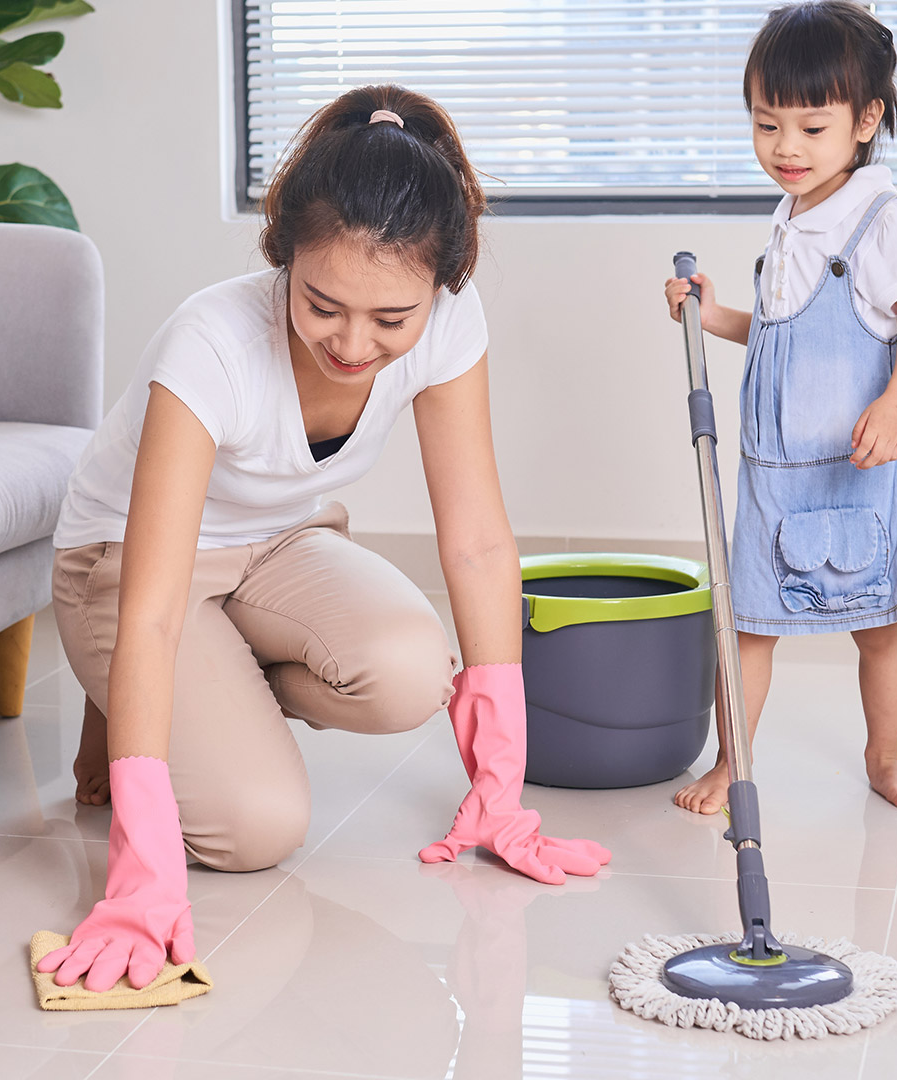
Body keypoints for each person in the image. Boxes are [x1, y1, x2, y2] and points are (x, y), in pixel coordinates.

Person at [38, 85, 609, 994]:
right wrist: (142, 873)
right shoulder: (212, 344)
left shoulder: (451, 324)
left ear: (440, 286)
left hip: (280, 546)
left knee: (413, 670)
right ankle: (158, 700)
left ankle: (196, 693)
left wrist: (501, 785)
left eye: (393, 320)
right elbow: (149, 612)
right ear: (283, 256)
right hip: (127, 568)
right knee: (254, 830)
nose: (352, 343)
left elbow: (478, 545)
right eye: (323, 304)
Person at [663, 0, 897, 815]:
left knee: (880, 626)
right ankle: (733, 766)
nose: (786, 148)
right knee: (747, 626)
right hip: (778, 472)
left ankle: (885, 756)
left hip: (860, 465)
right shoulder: (792, 218)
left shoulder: (881, 220)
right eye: (766, 124)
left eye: (811, 128)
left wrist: (896, 405)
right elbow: (788, 337)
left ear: (865, 122)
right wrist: (711, 315)